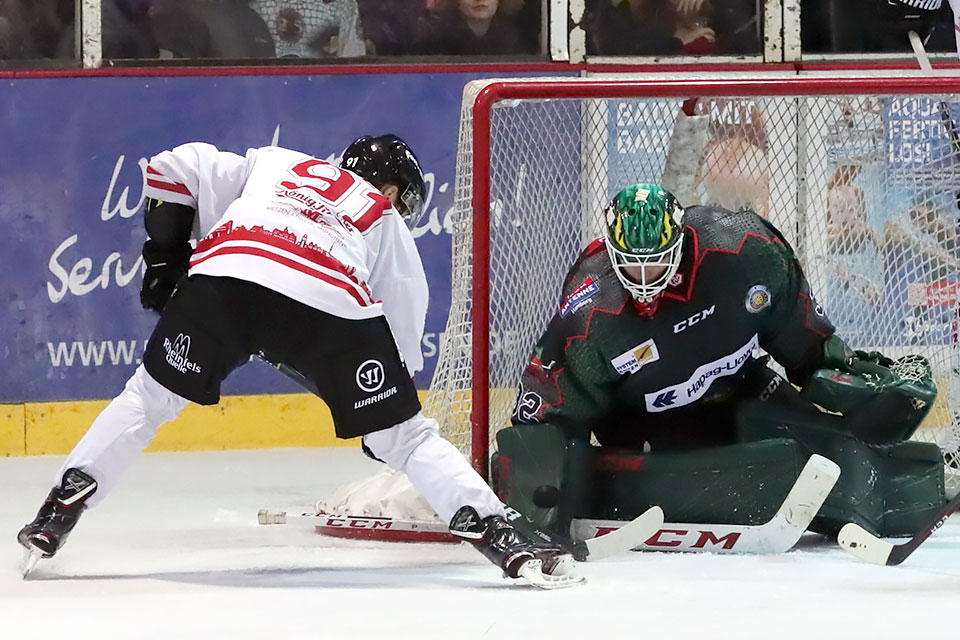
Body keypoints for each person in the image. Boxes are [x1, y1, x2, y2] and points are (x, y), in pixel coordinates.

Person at [17, 135, 578, 587]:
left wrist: (165, 258)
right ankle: (506, 537)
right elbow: (400, 327)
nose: (400, 207)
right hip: (327, 296)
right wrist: (380, 414)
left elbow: (170, 166)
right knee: (406, 438)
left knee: (146, 398)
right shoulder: (380, 217)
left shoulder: (275, 162)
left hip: (226, 279)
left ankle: (57, 512)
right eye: (401, 195)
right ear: (388, 188)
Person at [501, 183, 944, 539]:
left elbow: (804, 339)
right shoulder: (590, 311)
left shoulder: (745, 249)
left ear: (680, 242)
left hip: (740, 388)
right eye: (630, 267)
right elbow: (549, 415)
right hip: (646, 426)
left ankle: (930, 483)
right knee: (750, 472)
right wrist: (539, 501)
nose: (643, 281)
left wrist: (850, 381)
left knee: (831, 446)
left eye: (654, 265)